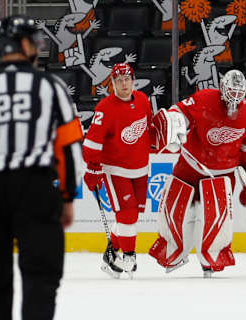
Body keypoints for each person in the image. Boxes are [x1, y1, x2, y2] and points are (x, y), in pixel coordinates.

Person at [0, 15, 83, 320]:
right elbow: (68, 145)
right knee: (40, 277)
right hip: (36, 189)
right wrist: (67, 197)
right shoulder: (50, 86)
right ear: (24, 44)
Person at [149, 69, 246, 278]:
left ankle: (212, 257)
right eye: (231, 91)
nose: (235, 98)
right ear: (222, 88)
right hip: (190, 167)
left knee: (215, 219)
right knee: (176, 211)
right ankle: (173, 251)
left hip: (223, 174)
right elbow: (180, 112)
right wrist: (174, 124)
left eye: (239, 93)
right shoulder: (204, 99)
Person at [82, 62, 184, 279]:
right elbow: (92, 141)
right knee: (126, 215)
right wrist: (93, 167)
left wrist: (162, 138)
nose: (124, 83)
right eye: (119, 80)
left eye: (127, 79)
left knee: (131, 216)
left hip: (140, 168)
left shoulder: (143, 101)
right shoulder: (105, 108)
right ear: (113, 84)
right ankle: (129, 256)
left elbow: (148, 132)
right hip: (115, 169)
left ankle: (111, 255)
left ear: (133, 80)